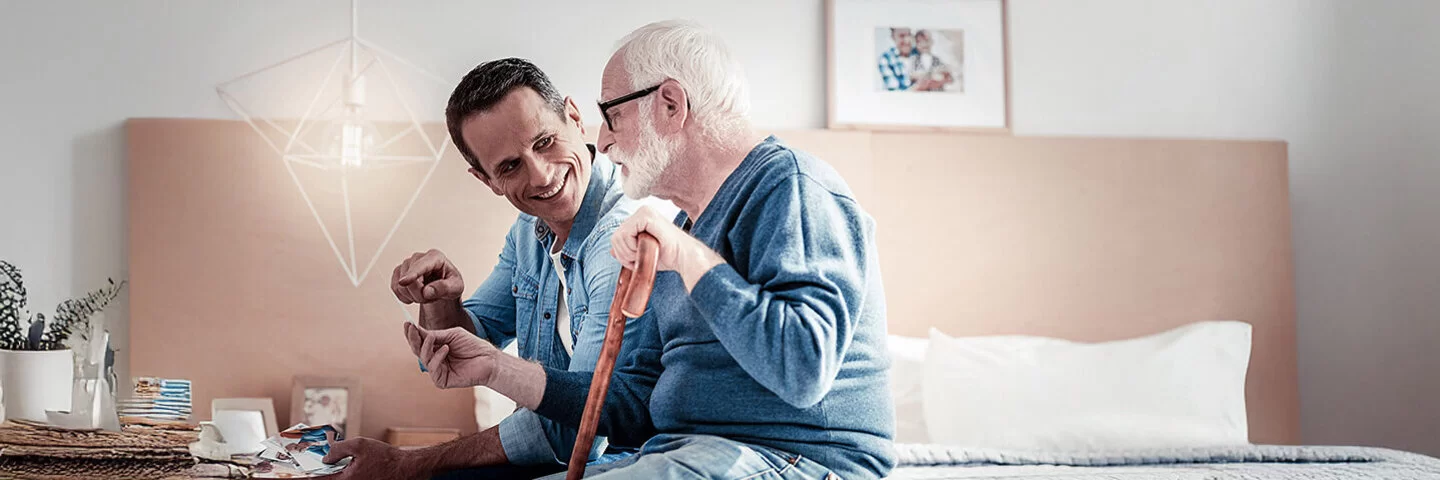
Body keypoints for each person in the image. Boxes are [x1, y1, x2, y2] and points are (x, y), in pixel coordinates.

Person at [398, 20, 897, 479]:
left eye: (611, 116)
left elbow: (803, 368)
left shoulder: (790, 187)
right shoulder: (683, 228)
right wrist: (494, 366)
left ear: (671, 104)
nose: (605, 143)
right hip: (683, 451)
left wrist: (688, 256)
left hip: (796, 459)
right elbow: (631, 407)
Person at [322, 57, 666, 480]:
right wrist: (441, 302)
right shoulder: (528, 231)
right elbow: (464, 345)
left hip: (628, 459)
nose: (541, 176)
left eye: (544, 142)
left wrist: (409, 462)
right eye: (509, 166)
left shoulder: (623, 238)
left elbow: (578, 427)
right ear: (486, 180)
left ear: (575, 118)